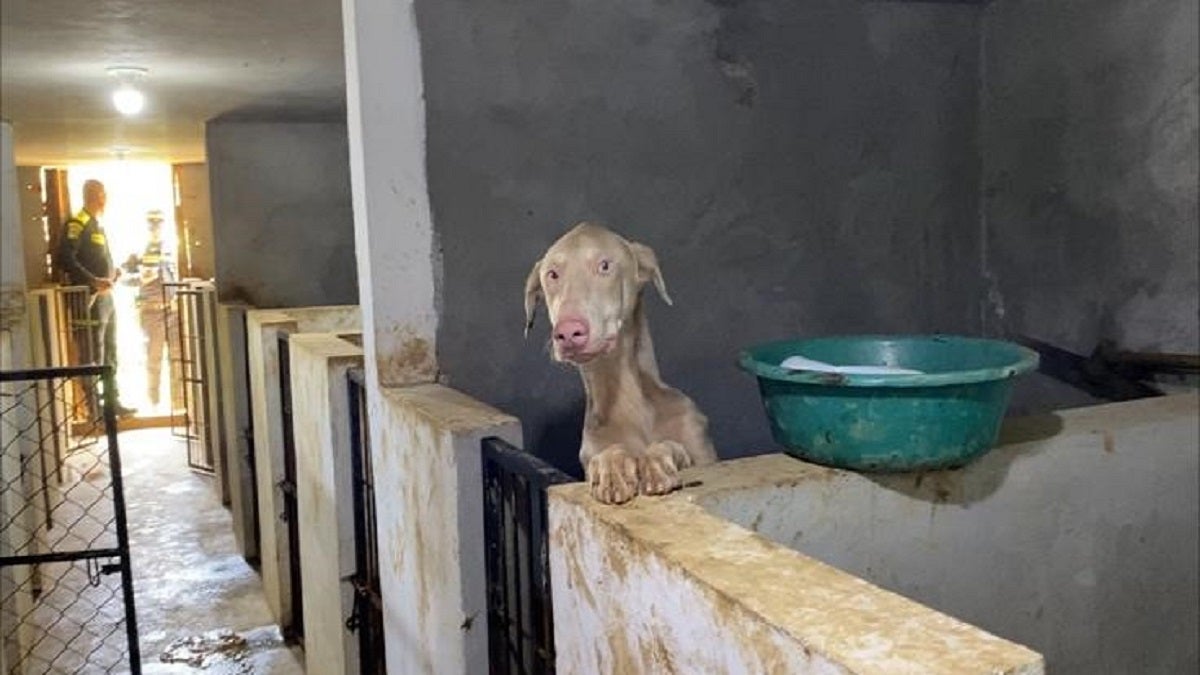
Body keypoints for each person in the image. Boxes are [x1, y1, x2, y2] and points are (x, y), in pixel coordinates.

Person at [58, 179, 136, 417]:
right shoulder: (78, 222)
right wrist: (92, 281)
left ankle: (112, 402)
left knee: (110, 351)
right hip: (89, 300)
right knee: (93, 353)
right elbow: (66, 258)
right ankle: (94, 409)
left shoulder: (97, 224)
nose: (105, 200)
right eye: (102, 195)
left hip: (106, 298)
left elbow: (97, 258)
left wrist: (113, 274)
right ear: (94, 195)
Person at [131, 210, 177, 408]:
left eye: (158, 223)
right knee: (153, 358)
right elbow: (126, 277)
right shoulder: (140, 251)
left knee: (177, 358)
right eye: (152, 224)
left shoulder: (170, 249)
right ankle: (154, 402)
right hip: (151, 312)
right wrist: (141, 275)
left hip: (172, 310)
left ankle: (179, 403)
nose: (155, 228)